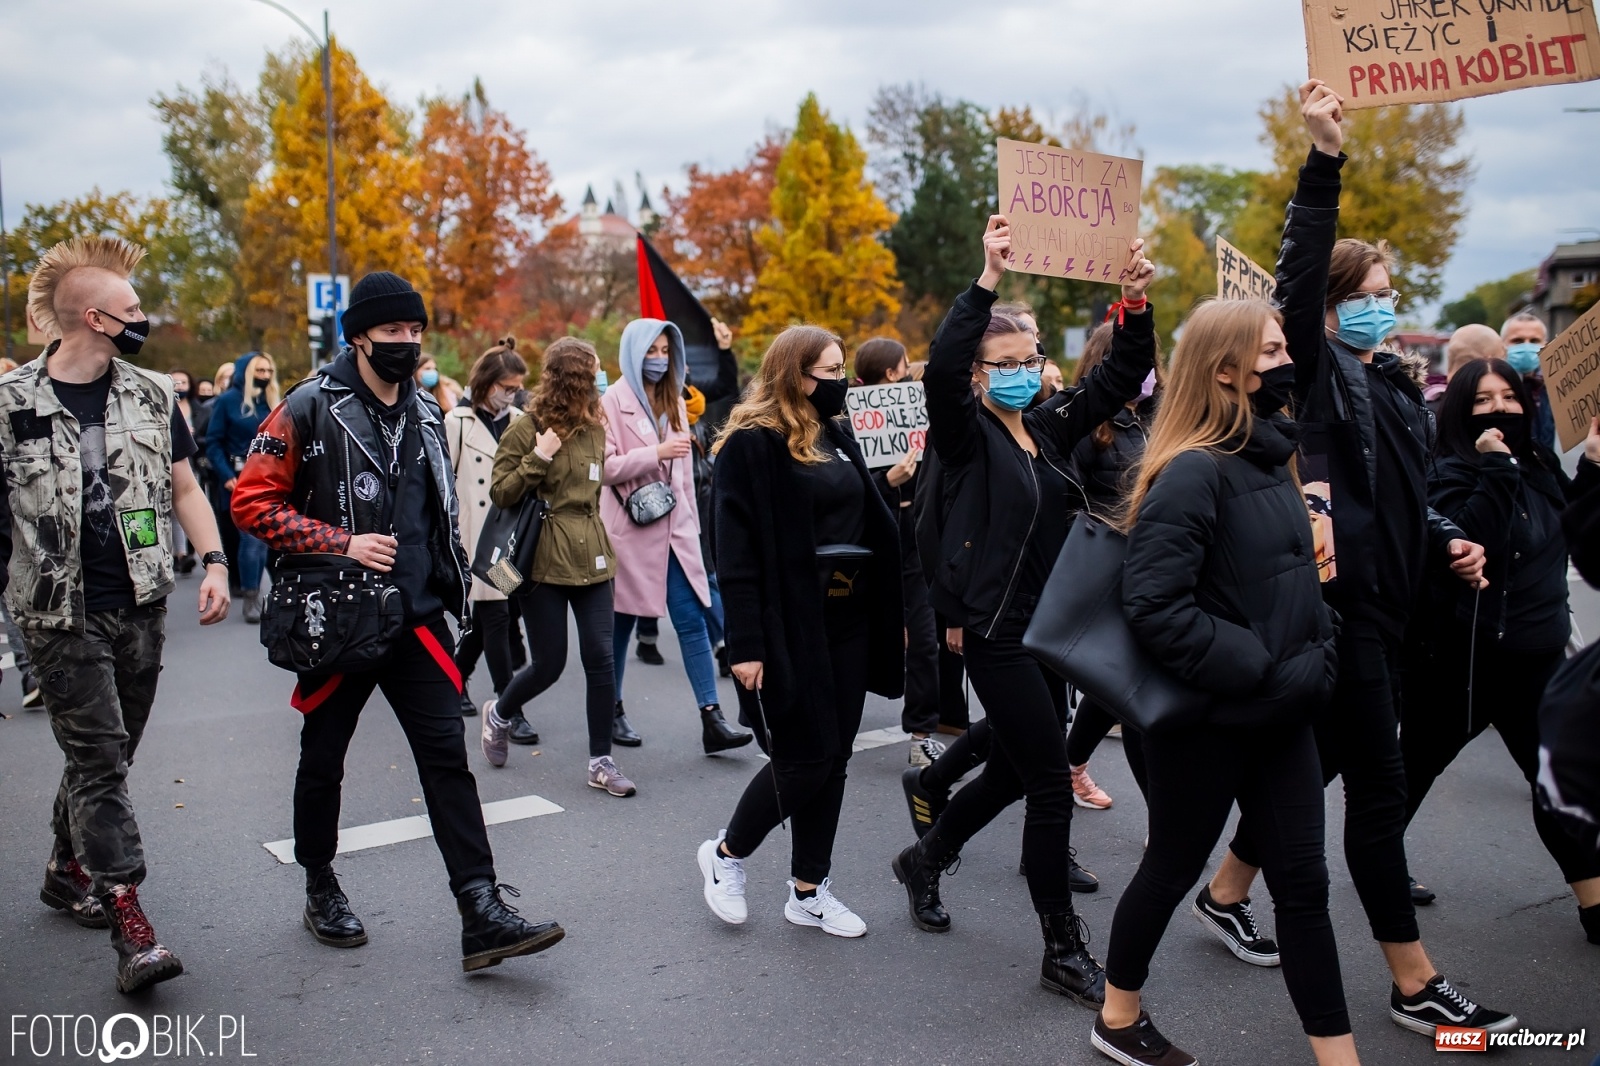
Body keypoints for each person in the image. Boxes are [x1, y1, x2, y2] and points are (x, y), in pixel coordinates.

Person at [1192, 80, 1517, 1040]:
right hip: (1344, 627)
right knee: (1377, 796)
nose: (1385, 311)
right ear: (1328, 316)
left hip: (1390, 615)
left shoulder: (1391, 389)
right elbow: (1292, 278)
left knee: (1328, 762)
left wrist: (1442, 542)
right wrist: (1324, 160)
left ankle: (1220, 890)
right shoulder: (1324, 379)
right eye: (1369, 300)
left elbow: (1399, 504)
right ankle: (1414, 985)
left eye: (1391, 297)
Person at [233, 270, 563, 971]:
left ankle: (480, 909)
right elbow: (250, 503)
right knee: (323, 759)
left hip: (416, 620)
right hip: (341, 621)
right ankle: (319, 882)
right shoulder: (305, 407)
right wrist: (339, 542)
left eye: (414, 332)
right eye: (391, 333)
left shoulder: (425, 410)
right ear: (357, 337)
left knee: (448, 760)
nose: (406, 344)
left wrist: (463, 592)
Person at [889, 216, 1155, 1008]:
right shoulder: (964, 435)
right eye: (999, 364)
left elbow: (1120, 377)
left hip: (1054, 632)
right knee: (1046, 780)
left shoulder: (1045, 426)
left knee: (1009, 772)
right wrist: (987, 280)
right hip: (1000, 636)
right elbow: (939, 368)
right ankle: (1061, 946)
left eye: (1027, 360)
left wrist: (1134, 306)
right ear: (977, 375)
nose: (1018, 371)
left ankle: (925, 857)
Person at [1094, 298, 1352, 1066]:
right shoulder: (1191, 473)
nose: (1286, 362)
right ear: (1226, 370)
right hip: (1207, 722)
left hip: (1283, 716)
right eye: (1271, 351)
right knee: (1173, 866)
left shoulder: (1274, 456)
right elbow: (1155, 607)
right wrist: (1258, 667)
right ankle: (1116, 1015)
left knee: (1305, 888)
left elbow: (1296, 585)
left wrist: (1318, 652)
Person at [6, 235, 231, 992]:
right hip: (55, 612)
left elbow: (187, 488)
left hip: (139, 603)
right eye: (132, 309)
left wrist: (215, 561)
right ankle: (130, 920)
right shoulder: (11, 406)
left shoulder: (152, 393)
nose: (144, 318)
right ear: (96, 318)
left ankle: (66, 867)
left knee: (110, 751)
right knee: (102, 762)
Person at [697, 324, 904, 938]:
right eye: (829, 372)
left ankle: (809, 889)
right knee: (803, 757)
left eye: (842, 369)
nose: (841, 382)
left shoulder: (837, 436)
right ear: (794, 374)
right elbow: (733, 552)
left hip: (847, 620)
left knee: (834, 757)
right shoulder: (752, 443)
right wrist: (746, 643)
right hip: (788, 622)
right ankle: (727, 856)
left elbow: (865, 522)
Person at [1402, 359, 1600, 943]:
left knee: (1555, 785)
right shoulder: (1448, 471)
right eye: (1483, 399)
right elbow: (1466, 541)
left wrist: (1590, 466)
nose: (1499, 409)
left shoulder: (1538, 465)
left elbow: (1577, 533)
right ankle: (1375, 870)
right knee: (1409, 775)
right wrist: (1494, 469)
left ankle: (1594, 904)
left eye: (1509, 397)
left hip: (1535, 662)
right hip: (1463, 661)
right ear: (1461, 411)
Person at [483, 338, 637, 796]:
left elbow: (595, 489)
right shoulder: (526, 427)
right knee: (549, 664)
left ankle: (600, 761)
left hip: (592, 556)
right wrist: (541, 454)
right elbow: (502, 492)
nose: (600, 381)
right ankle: (499, 714)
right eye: (593, 373)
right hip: (542, 561)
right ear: (574, 378)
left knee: (601, 658)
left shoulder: (596, 426)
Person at [603, 318, 750, 753]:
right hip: (631, 533)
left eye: (666, 351)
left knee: (691, 622)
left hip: (675, 532)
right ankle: (611, 711)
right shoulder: (612, 400)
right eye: (651, 351)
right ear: (634, 351)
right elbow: (606, 467)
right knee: (622, 625)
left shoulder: (676, 400)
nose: (660, 359)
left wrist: (691, 530)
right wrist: (656, 453)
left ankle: (713, 718)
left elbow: (684, 478)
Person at [1063, 322, 1163, 810]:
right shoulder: (1084, 425)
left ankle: (1070, 763)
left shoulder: (1157, 419)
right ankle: (1165, 820)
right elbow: (1071, 502)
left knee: (1117, 687)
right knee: (1130, 691)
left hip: (1152, 566)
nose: (1145, 371)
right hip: (1108, 569)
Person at [853, 336, 952, 769]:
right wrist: (886, 482)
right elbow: (847, 494)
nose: (911, 367)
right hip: (871, 543)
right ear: (891, 373)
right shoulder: (850, 421)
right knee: (857, 637)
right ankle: (837, 722)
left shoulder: (917, 409)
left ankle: (921, 731)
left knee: (925, 639)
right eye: (904, 364)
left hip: (915, 537)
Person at [444, 337, 527, 721]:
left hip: (509, 538)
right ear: (487, 382)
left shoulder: (520, 423)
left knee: (491, 616)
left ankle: (456, 678)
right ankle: (509, 707)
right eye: (506, 388)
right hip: (475, 537)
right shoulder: (456, 423)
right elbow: (445, 482)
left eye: (516, 389)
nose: (511, 396)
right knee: (496, 616)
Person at [205, 350, 280, 622]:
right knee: (252, 540)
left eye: (268, 371)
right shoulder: (227, 402)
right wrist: (226, 475)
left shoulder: (272, 402)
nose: (265, 376)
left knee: (272, 540)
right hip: (240, 478)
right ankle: (252, 597)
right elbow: (212, 442)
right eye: (259, 371)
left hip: (271, 479)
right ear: (247, 372)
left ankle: (277, 595)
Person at [1501, 311, 1557, 451]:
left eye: (1534, 341)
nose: (1527, 347)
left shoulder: (1552, 386)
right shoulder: (1492, 386)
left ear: (1545, 344)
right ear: (1503, 344)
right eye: (1518, 341)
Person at [168, 368, 198, 575]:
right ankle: (170, 553)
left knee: (183, 509)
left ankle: (183, 553)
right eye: (175, 382)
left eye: (183, 382)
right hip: (165, 464)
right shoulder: (163, 405)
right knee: (166, 513)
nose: (179, 386)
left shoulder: (199, 409)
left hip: (192, 464)